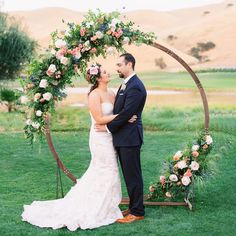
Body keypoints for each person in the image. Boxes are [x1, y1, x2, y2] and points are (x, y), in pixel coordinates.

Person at [21, 63, 136, 231]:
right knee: (106, 169)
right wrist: (124, 117)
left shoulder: (111, 92)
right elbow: (98, 119)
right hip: (99, 138)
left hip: (111, 136)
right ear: (98, 78)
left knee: (108, 170)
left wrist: (123, 118)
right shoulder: (94, 95)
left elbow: (115, 115)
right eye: (104, 71)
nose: (108, 72)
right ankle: (95, 209)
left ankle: (106, 206)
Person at [95, 53, 147, 223]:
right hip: (124, 137)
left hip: (130, 138)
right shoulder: (126, 84)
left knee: (133, 175)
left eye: (119, 65)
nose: (117, 68)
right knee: (129, 175)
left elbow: (126, 113)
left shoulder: (136, 86)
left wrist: (107, 127)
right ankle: (133, 207)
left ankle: (137, 211)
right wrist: (124, 116)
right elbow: (122, 111)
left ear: (129, 64)